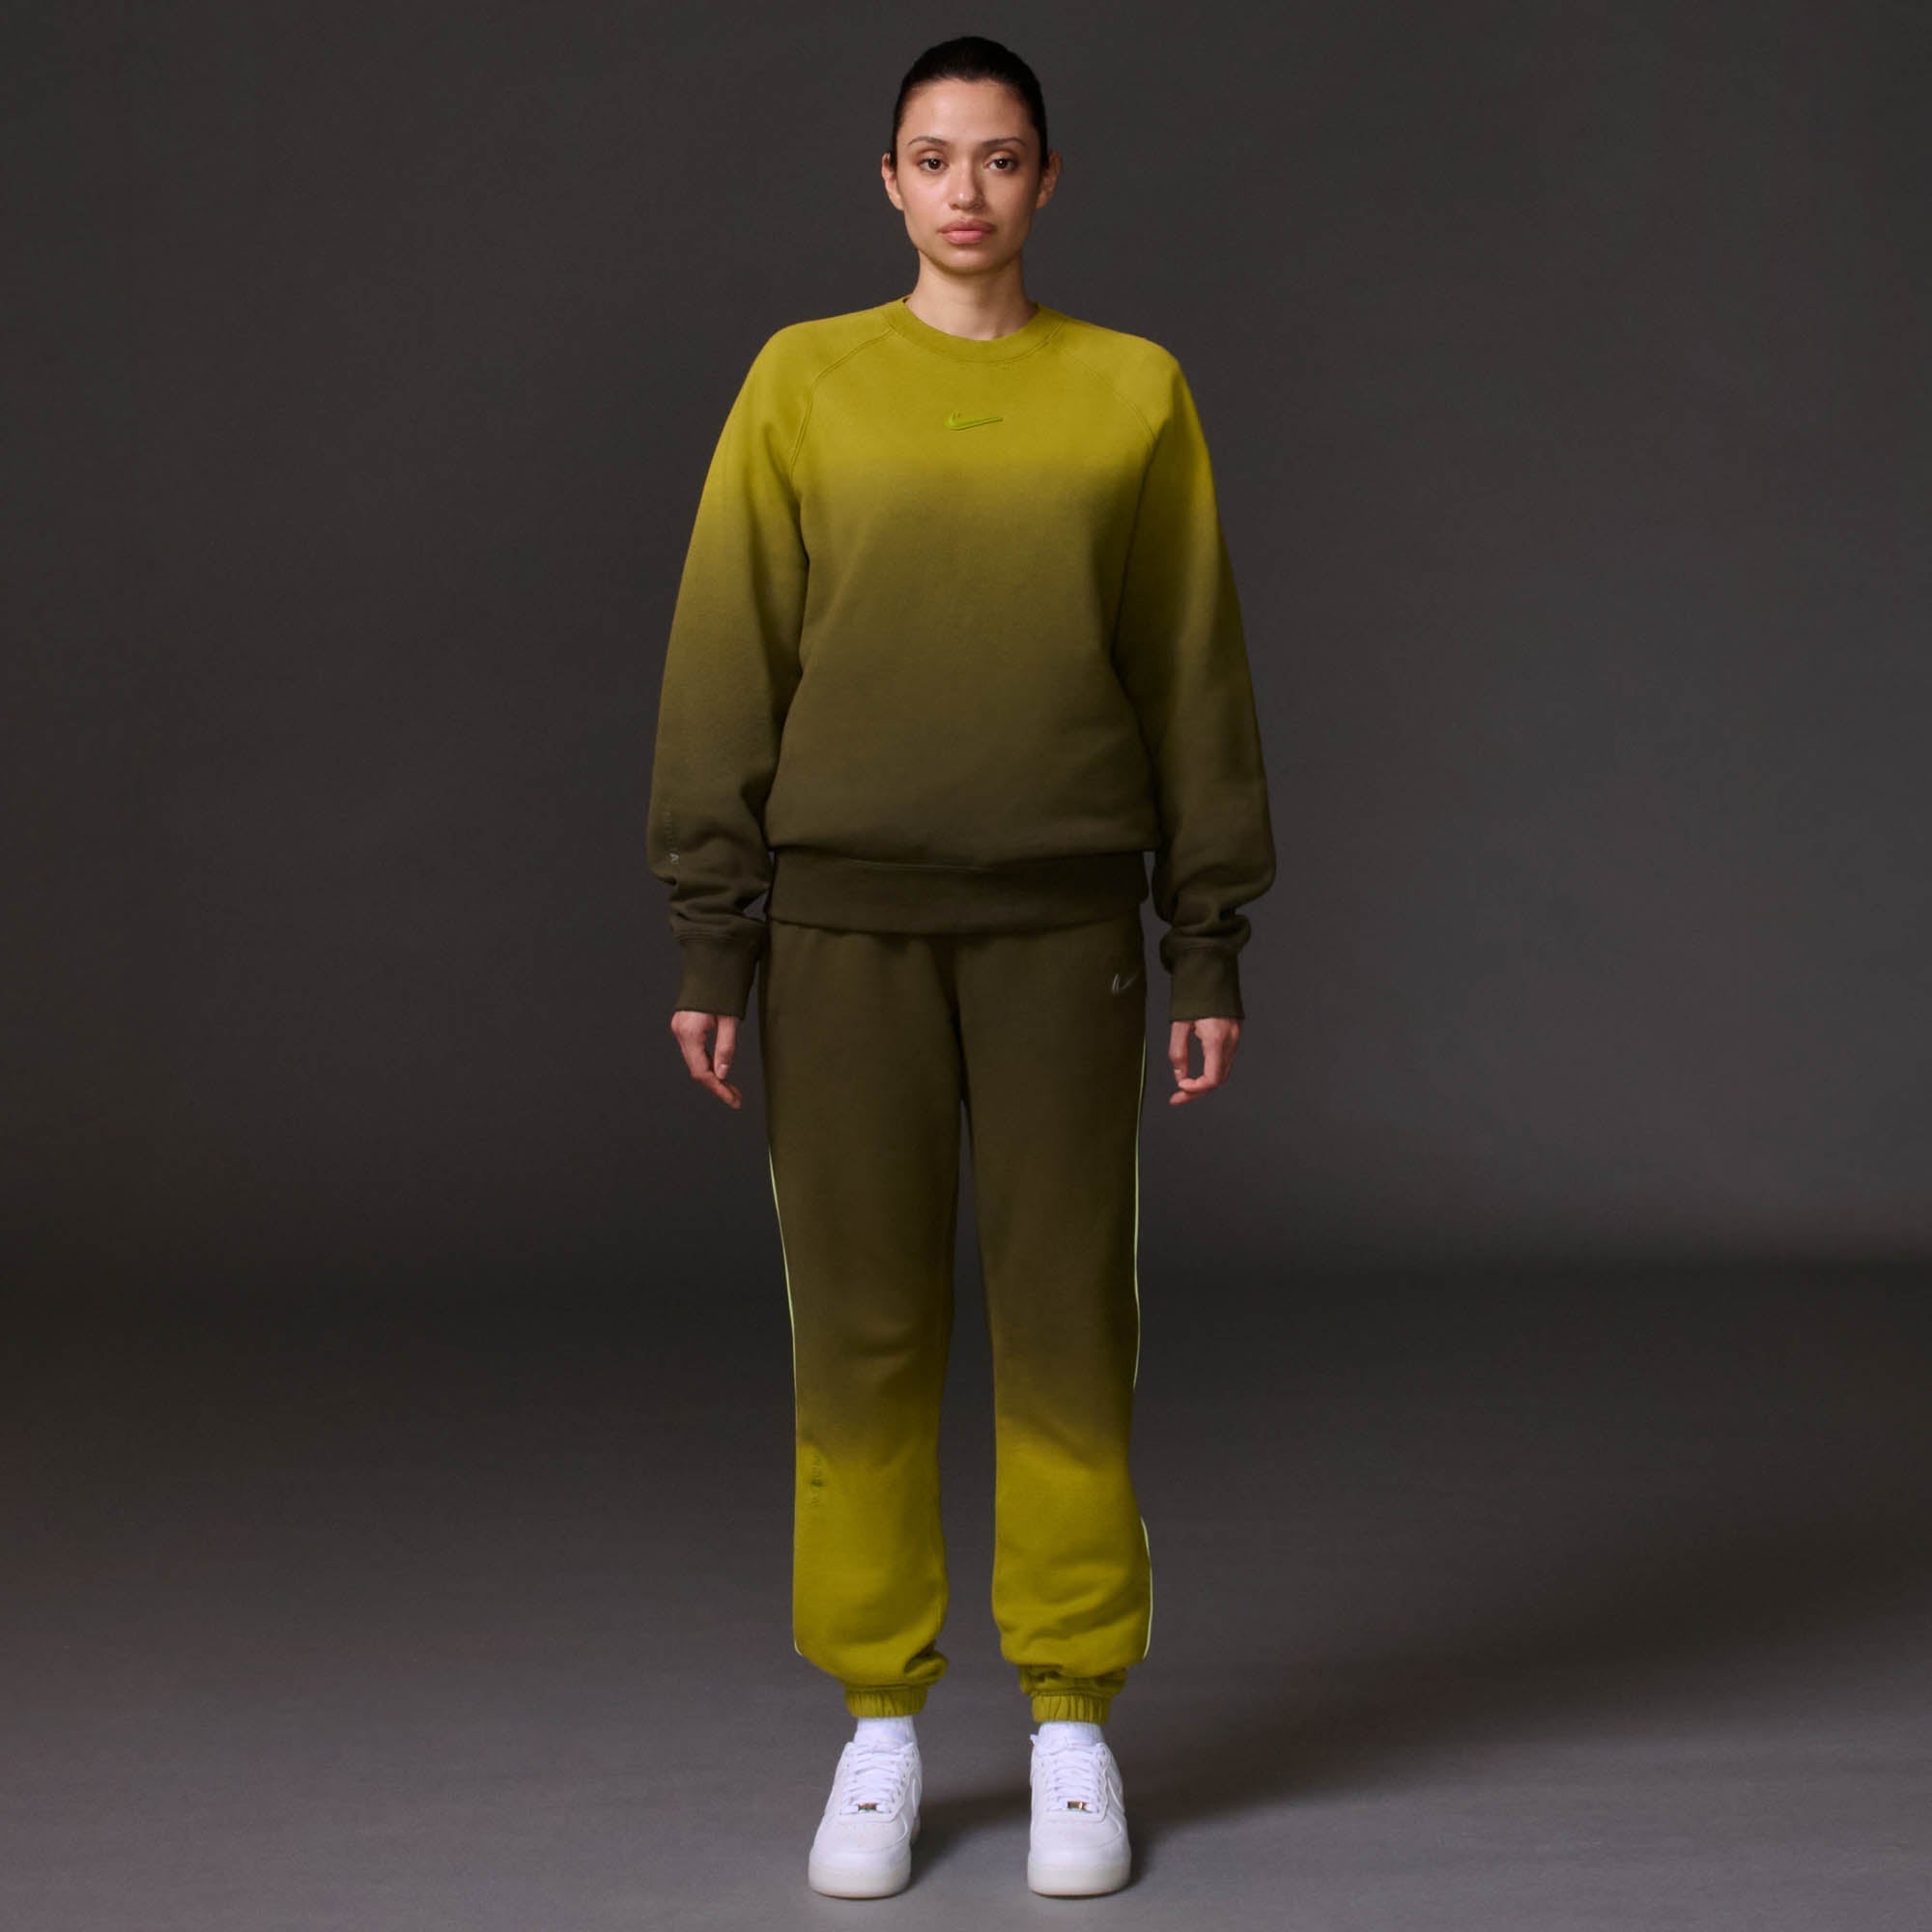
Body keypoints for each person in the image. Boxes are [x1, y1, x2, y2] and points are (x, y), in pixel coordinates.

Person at [644, 35, 1275, 1900]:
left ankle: (1073, 1716)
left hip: (1066, 931)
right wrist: (711, 934)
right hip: (839, 935)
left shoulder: (1133, 392)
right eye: (933, 157)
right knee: (860, 1327)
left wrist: (1206, 945)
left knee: (1070, 1318)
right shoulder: (803, 383)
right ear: (890, 182)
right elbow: (726, 655)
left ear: (1047, 181)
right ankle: (879, 1727)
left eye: (1000, 158)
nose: (967, 191)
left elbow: (1192, 672)